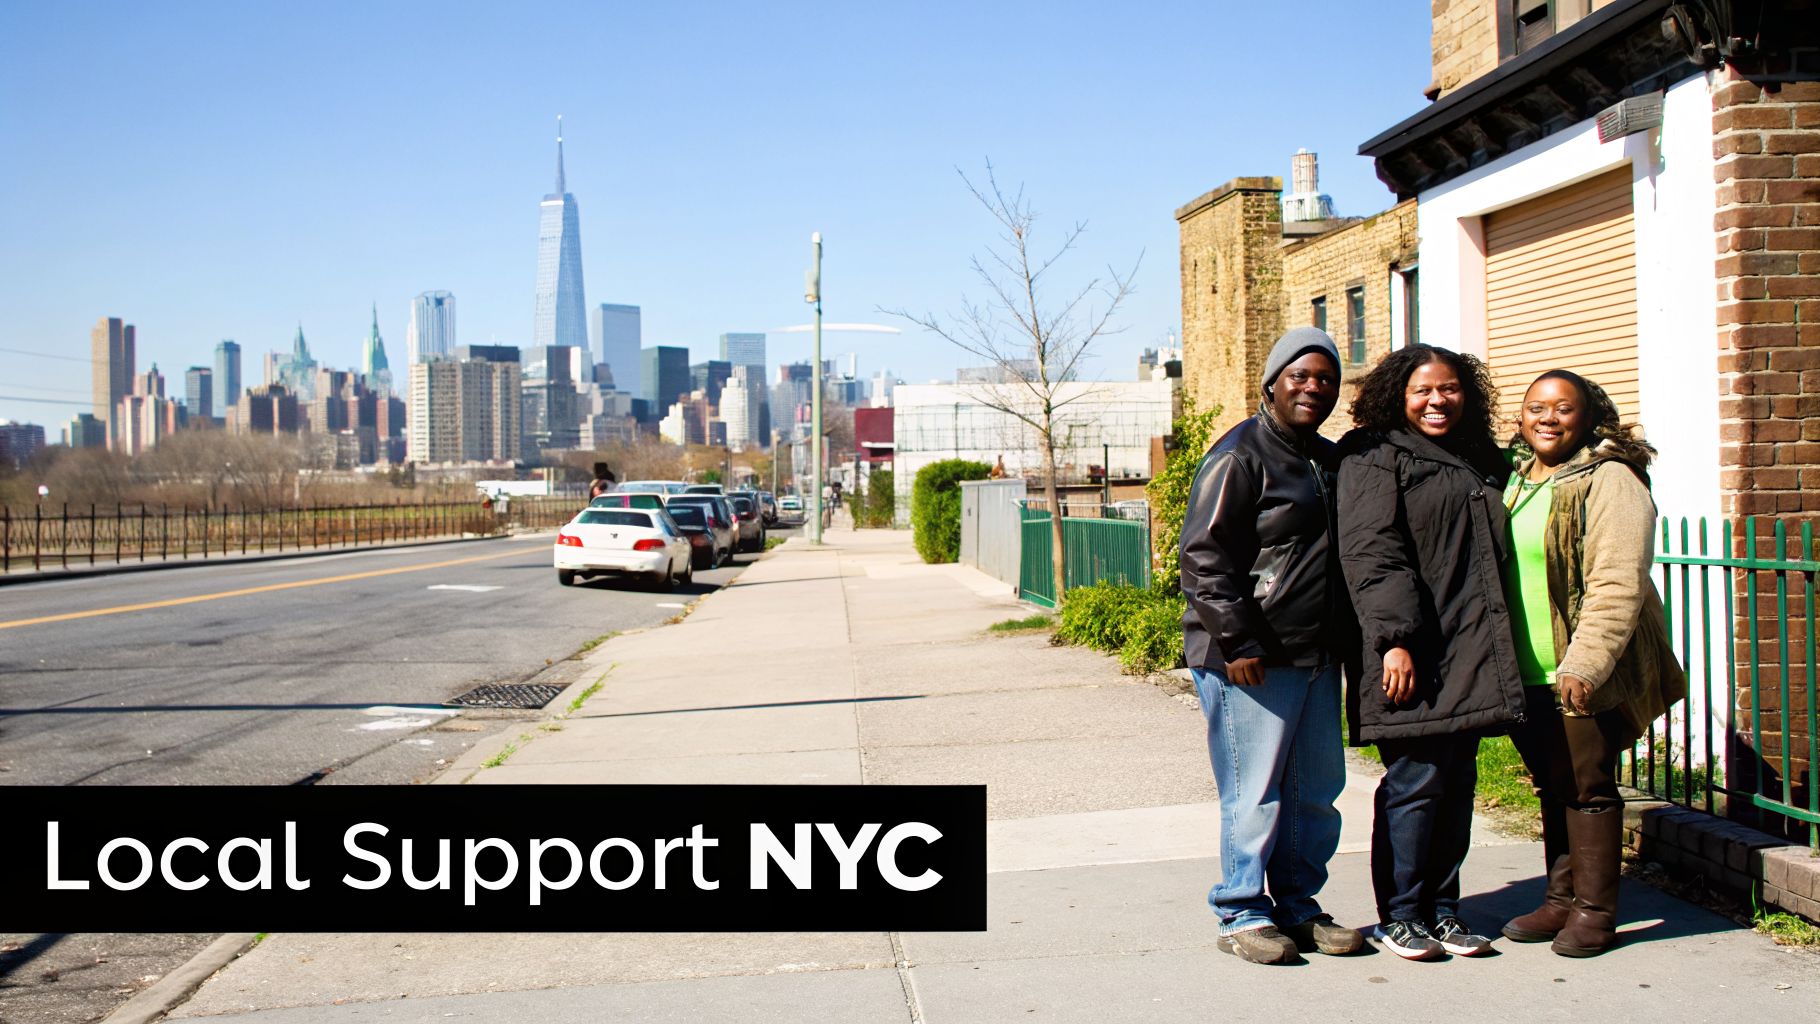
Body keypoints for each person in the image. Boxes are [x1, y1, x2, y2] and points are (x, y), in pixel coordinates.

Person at [1180, 326, 1364, 964]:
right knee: (1254, 790)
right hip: (1251, 659)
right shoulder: (1240, 455)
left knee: (1316, 791)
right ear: (1272, 383)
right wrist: (1237, 640)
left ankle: (1297, 906)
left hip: (1315, 654)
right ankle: (1242, 911)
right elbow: (1204, 558)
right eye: (1301, 376)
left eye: (1326, 379)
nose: (1314, 387)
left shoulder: (1326, 457)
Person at [1336, 343, 1524, 961]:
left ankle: (1445, 911)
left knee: (1457, 784)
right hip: (1411, 651)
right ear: (1399, 394)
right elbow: (1372, 552)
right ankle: (1401, 915)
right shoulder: (1374, 456)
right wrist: (1394, 642)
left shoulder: (1475, 456)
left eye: (1448, 389)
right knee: (1415, 783)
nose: (1437, 401)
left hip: (1469, 645)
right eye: (1423, 390)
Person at [1497, 370, 1686, 957]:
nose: (1546, 418)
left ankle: (1596, 912)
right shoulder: (1519, 479)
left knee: (1589, 787)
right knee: (1554, 785)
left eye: (1562, 408)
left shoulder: (1610, 479)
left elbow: (1616, 581)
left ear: (1588, 416)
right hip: (1528, 666)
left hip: (1578, 667)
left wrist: (1586, 663)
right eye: (1535, 407)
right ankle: (1560, 899)